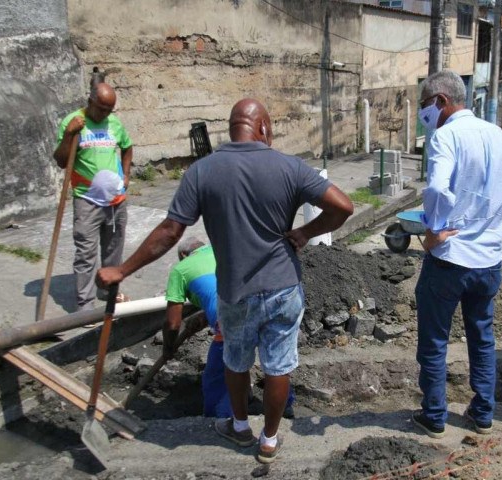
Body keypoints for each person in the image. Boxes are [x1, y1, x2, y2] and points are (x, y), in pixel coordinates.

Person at [96, 98, 353, 464]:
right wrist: (305, 232)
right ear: (263, 127)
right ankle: (269, 440)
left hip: (236, 291)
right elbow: (343, 206)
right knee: (279, 365)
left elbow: (170, 231)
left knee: (236, 360)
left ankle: (240, 427)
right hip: (283, 286)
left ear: (232, 127)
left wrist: (121, 271)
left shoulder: (203, 171)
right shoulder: (289, 167)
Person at [411, 70, 502, 438]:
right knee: (482, 336)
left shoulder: (446, 136)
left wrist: (434, 229)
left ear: (441, 101)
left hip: (450, 258)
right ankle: (483, 414)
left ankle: (435, 415)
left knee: (435, 339)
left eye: (425, 105)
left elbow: (438, 188)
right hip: (489, 260)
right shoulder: (497, 134)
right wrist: (497, 234)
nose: (424, 113)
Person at [164, 237, 295, 419]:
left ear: (184, 255)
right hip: (270, 304)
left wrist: (168, 348)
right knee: (275, 364)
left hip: (232, 317)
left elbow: (172, 323)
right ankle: (284, 410)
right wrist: (205, 315)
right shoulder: (222, 249)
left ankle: (222, 418)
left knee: (220, 375)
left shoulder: (181, 269)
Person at [53, 82, 133, 312]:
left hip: (116, 200)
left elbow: (127, 147)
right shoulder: (74, 123)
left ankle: (108, 291)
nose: (106, 114)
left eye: (110, 110)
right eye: (102, 109)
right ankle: (85, 305)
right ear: (90, 102)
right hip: (87, 200)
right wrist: (69, 135)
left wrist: (126, 175)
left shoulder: (114, 123)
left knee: (113, 249)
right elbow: (60, 160)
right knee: (86, 254)